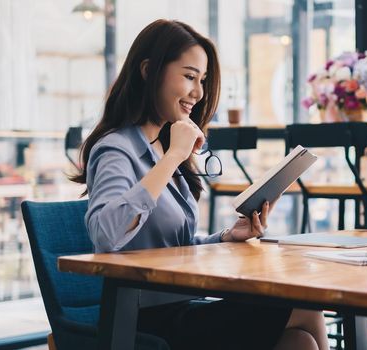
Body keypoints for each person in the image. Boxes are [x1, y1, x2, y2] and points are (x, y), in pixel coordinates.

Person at [70, 19, 329, 350]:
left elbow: (172, 247)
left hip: (180, 308)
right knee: (304, 303)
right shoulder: (116, 148)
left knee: (300, 342)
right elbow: (106, 235)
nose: (199, 92)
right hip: (140, 321)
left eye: (202, 80)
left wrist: (225, 237)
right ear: (149, 71)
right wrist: (173, 156)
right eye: (190, 76)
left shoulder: (162, 149)